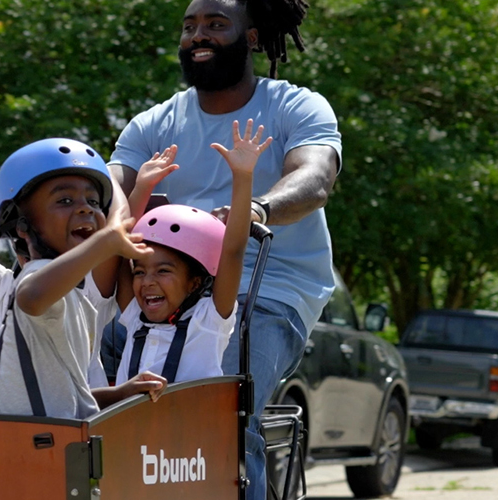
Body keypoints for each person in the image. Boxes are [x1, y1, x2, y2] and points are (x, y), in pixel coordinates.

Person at [107, 0, 341, 497]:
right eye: (189, 26)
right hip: (171, 287)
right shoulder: (153, 123)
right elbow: (109, 191)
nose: (198, 35)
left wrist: (254, 210)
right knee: (91, 382)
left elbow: (315, 178)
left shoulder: (295, 106)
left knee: (225, 411)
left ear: (251, 38)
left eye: (216, 24)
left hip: (270, 288)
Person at [0, 138, 165, 419]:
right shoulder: (33, 277)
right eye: (65, 200)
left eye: (93, 201)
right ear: (22, 226)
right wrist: (20, 181)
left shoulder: (79, 297)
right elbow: (31, 296)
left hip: (51, 437)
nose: (86, 208)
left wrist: (119, 393)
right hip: (21, 441)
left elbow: (64, 400)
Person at [113, 122, 270, 386]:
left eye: (163, 271)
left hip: (192, 415)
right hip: (133, 416)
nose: (147, 281)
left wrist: (243, 175)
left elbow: (233, 251)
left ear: (195, 283)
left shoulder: (208, 321)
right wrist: (142, 188)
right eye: (139, 272)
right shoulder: (134, 317)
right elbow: (119, 242)